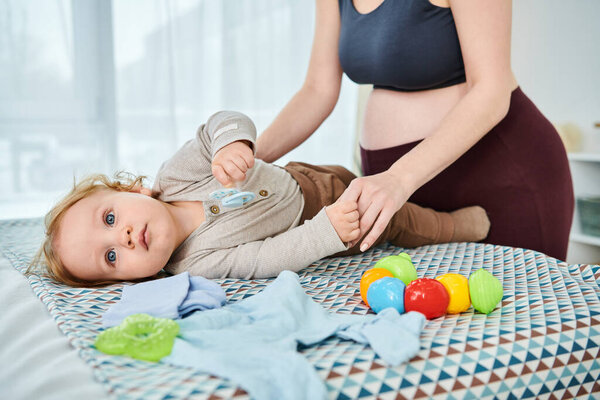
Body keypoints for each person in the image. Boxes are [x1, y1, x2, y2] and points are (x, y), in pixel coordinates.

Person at [255, 0, 574, 261]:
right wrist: (249, 159)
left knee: (509, 327)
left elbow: (492, 89)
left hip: (499, 180)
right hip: (405, 195)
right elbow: (317, 90)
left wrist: (398, 178)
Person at [29, 111, 489, 287]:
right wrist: (327, 231)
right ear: (126, 281)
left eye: (110, 217)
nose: (124, 237)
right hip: (325, 215)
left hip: (307, 173)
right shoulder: (196, 264)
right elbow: (268, 257)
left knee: (366, 177)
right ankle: (462, 226)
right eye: (110, 256)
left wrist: (233, 145)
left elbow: (216, 125)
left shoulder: (176, 176)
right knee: (400, 220)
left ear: (132, 188)